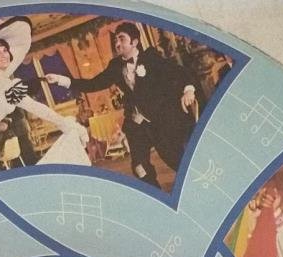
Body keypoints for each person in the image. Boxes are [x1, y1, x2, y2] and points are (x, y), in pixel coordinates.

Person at [46, 21, 202, 188]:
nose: (117, 43)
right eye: (116, 40)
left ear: (134, 42)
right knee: (139, 167)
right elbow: (92, 84)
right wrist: (61, 80)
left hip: (159, 122)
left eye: (122, 39)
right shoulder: (115, 66)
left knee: (176, 160)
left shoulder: (150, 57)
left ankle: (198, 184)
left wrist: (189, 90)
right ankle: (156, 194)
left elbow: (177, 71)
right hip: (136, 125)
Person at [0, 17, 88, 177]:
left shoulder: (0, 81)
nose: (3, 55)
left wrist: (66, 125)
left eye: (5, 50)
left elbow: (37, 108)